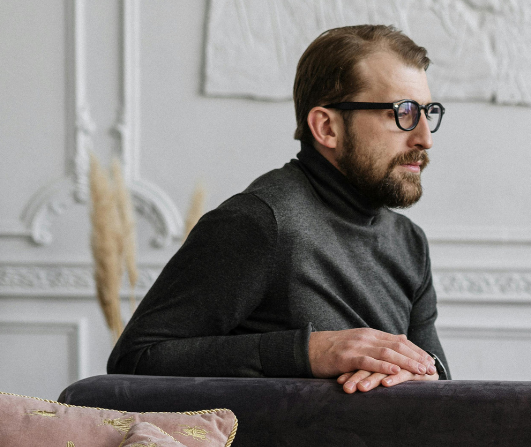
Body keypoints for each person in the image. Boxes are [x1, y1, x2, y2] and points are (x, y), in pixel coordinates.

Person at [108, 25, 449, 393]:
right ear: (327, 127)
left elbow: (439, 380)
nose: (425, 138)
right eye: (403, 112)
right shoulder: (257, 222)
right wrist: (308, 352)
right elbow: (135, 359)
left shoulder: (410, 241)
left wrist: (423, 374)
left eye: (427, 112)